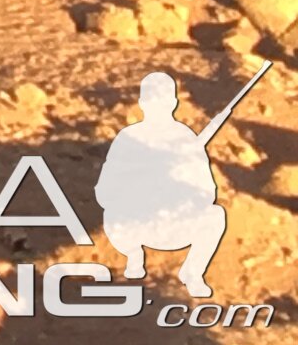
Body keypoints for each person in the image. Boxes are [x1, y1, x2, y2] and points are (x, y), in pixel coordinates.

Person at [93, 70, 227, 296]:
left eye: (163, 100)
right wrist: (141, 189)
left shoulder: (185, 139)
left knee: (215, 216)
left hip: (174, 224)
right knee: (114, 218)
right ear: (143, 103)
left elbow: (207, 193)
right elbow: (104, 193)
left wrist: (181, 186)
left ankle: (193, 272)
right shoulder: (128, 139)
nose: (159, 105)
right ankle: (134, 258)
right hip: (134, 223)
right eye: (153, 100)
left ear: (174, 102)